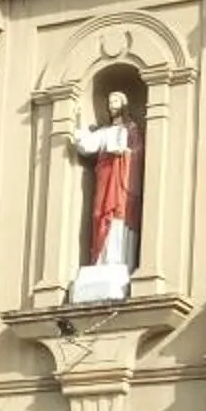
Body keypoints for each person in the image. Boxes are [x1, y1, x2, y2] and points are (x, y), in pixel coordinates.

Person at [71, 87, 143, 303]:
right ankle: (101, 261)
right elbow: (86, 146)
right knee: (100, 215)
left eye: (116, 101)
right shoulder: (104, 132)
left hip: (122, 183)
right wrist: (75, 121)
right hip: (105, 178)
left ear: (124, 104)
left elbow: (137, 152)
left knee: (120, 218)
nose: (112, 105)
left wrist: (124, 154)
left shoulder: (131, 130)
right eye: (109, 101)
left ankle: (118, 261)